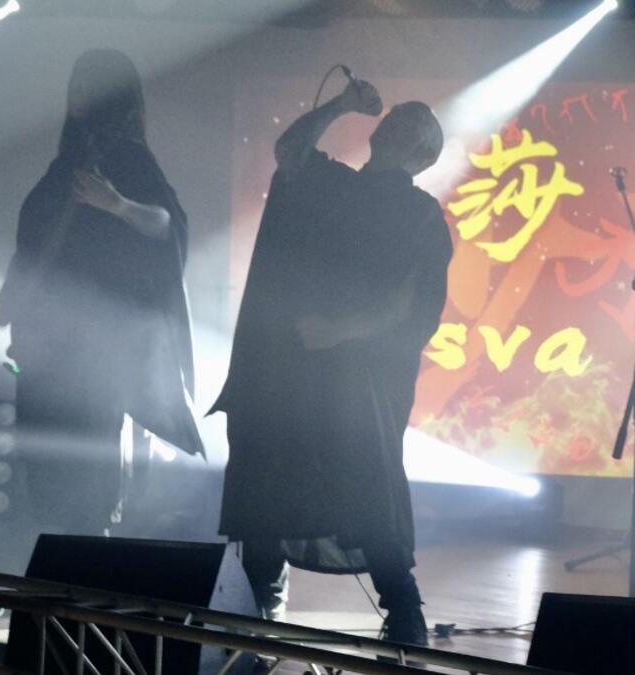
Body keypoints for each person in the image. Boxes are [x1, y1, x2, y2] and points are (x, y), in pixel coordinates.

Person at [211, 77, 451, 647]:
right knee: (271, 482)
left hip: (357, 384)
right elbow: (291, 152)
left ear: (422, 155)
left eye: (413, 124)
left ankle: (403, 612)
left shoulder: (419, 216)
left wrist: (339, 332)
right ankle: (257, 607)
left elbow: (412, 309)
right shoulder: (327, 183)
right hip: (285, 369)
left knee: (366, 489)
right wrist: (341, 105)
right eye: (397, 116)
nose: (397, 123)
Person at [0, 49, 201, 536]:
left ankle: (83, 589)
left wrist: (118, 205)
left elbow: (167, 223)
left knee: (85, 480)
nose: (76, 99)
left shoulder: (127, 158)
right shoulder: (65, 163)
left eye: (87, 89)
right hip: (44, 348)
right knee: (44, 470)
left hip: (94, 355)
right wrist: (13, 295)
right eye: (75, 89)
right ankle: (57, 590)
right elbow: (36, 241)